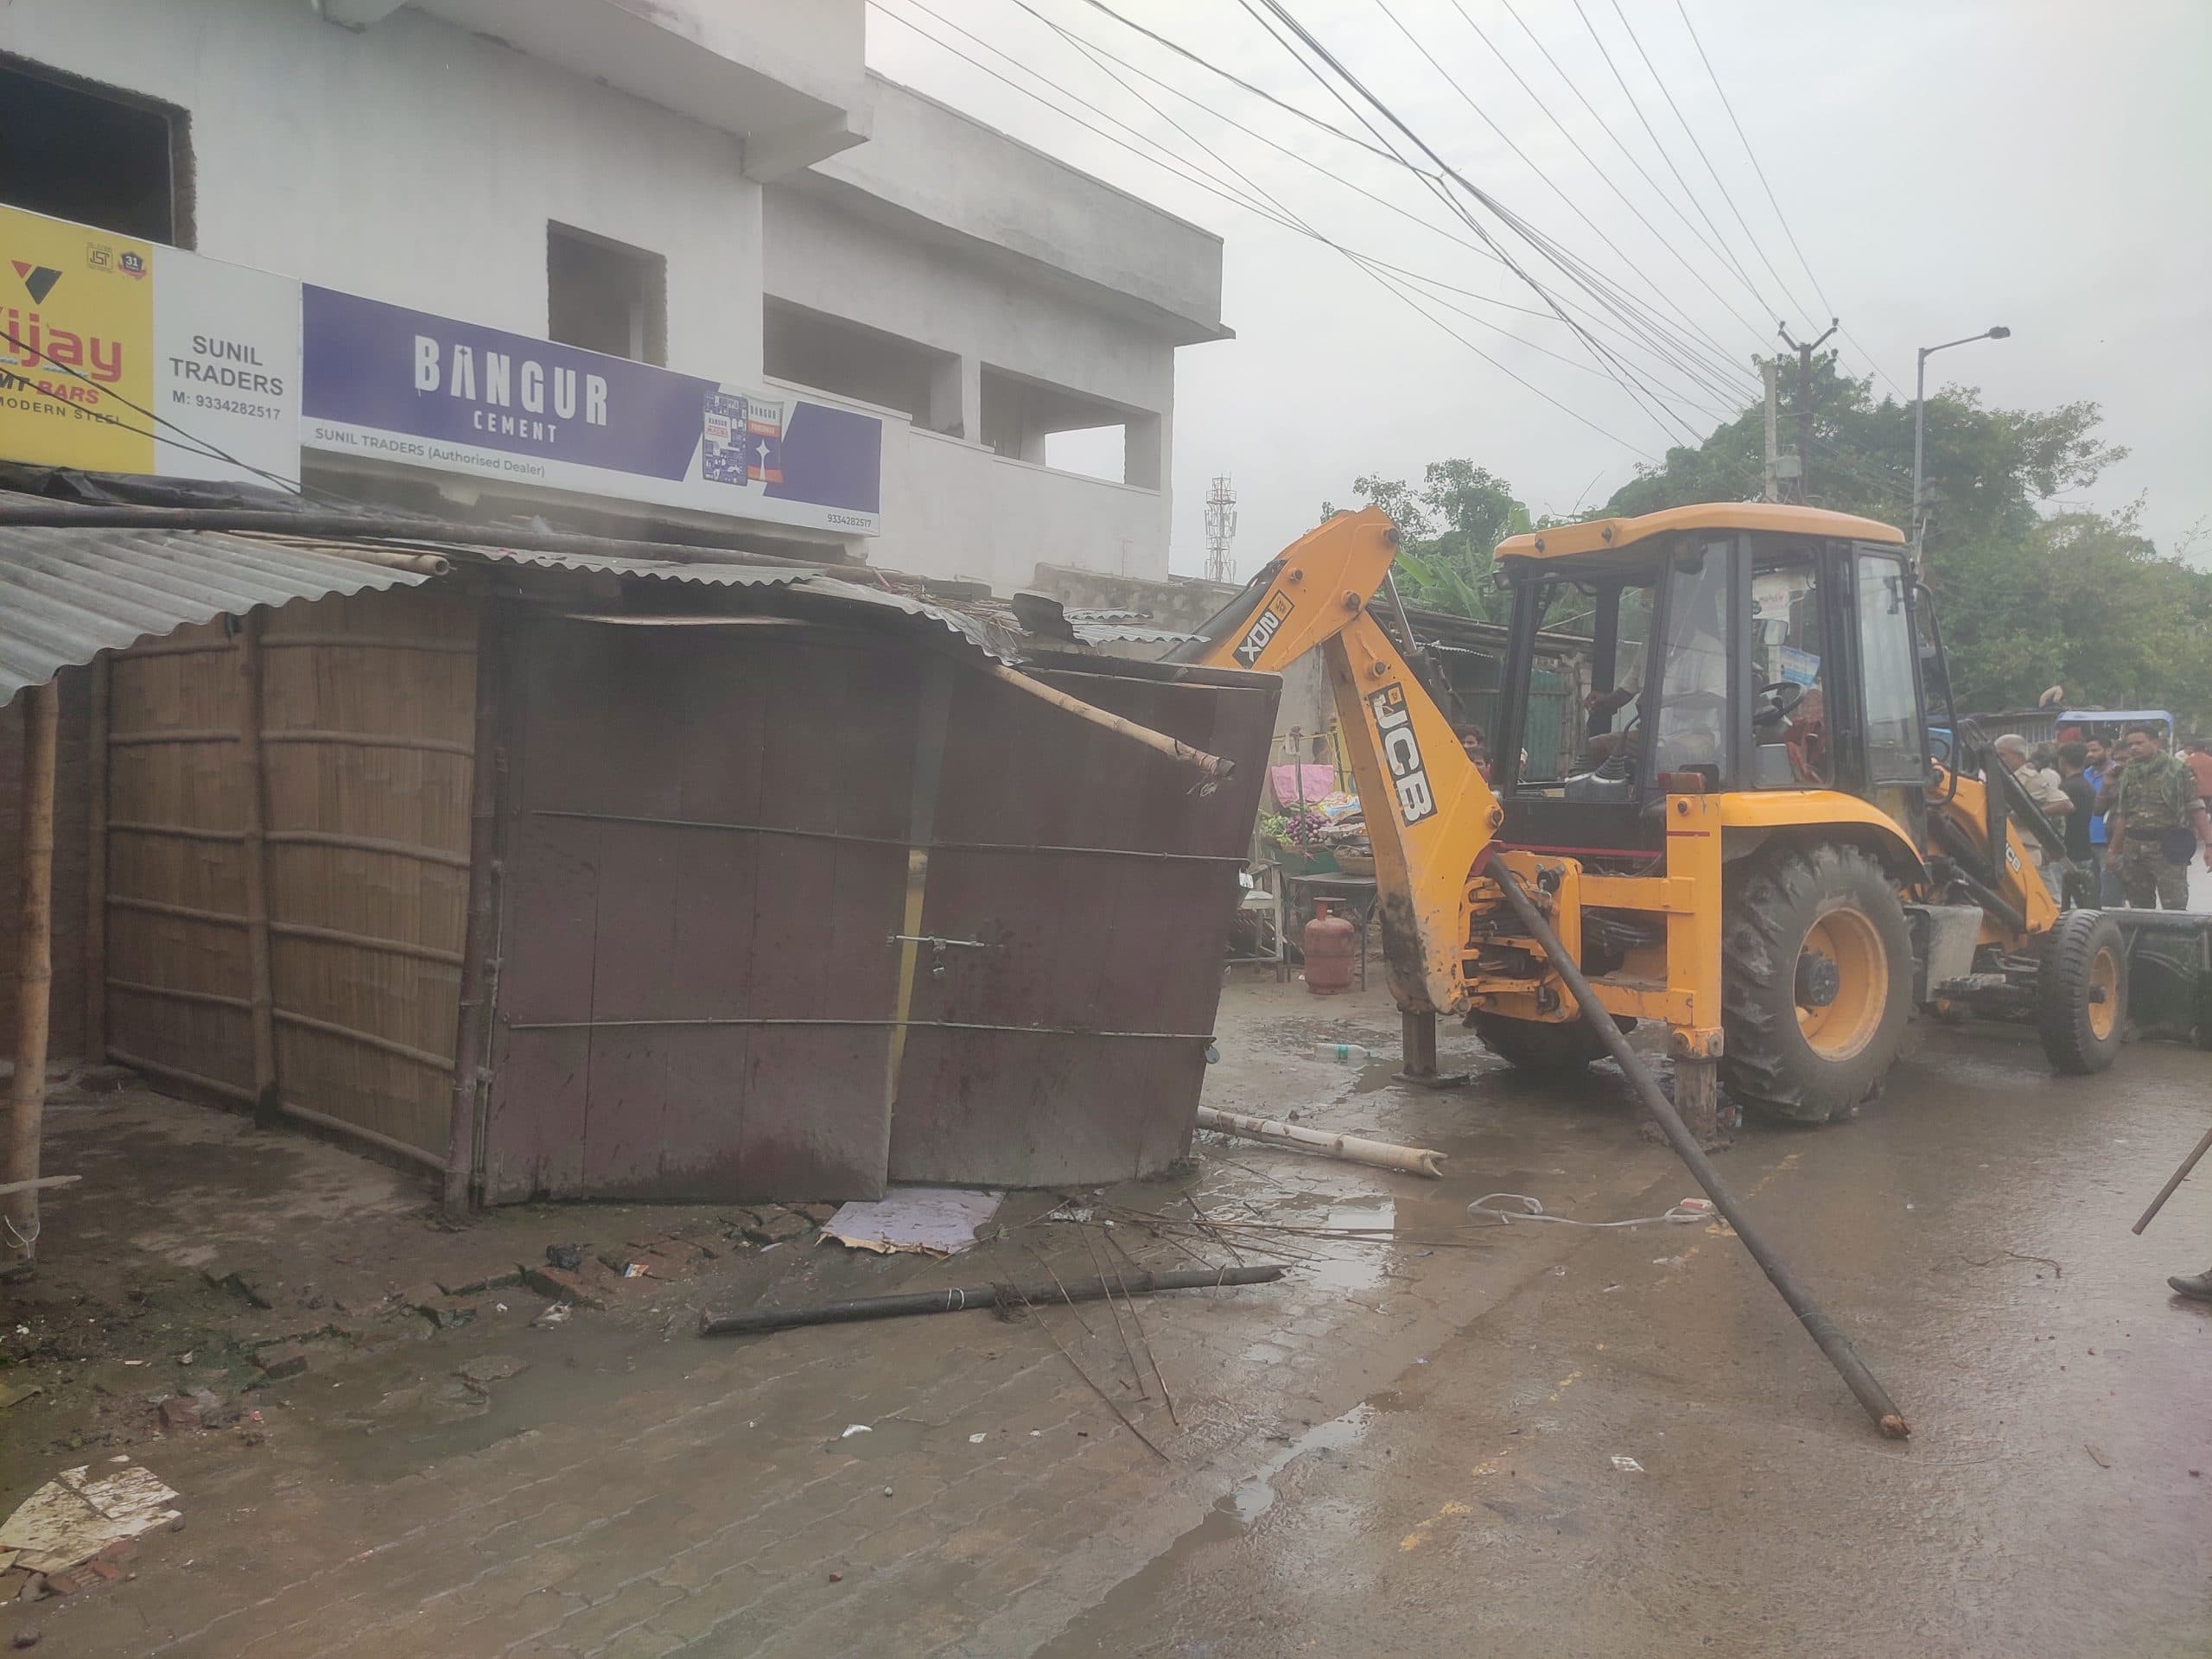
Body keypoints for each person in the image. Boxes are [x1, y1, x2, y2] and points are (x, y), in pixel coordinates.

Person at [2105, 722, 2211, 909]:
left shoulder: (2178, 770)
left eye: (2139, 743)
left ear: (2155, 743)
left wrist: (2209, 845)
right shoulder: (2128, 772)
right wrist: (2112, 851)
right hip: (2134, 849)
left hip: (2169, 847)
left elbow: (2196, 808)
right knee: (2139, 908)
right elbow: (2123, 814)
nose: (2133, 748)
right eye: (2130, 744)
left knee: (2175, 907)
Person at [2053, 741, 2096, 870]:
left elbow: (2060, 818)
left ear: (2062, 760)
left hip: (2067, 855)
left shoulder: (2067, 787)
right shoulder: (2087, 785)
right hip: (2084, 849)